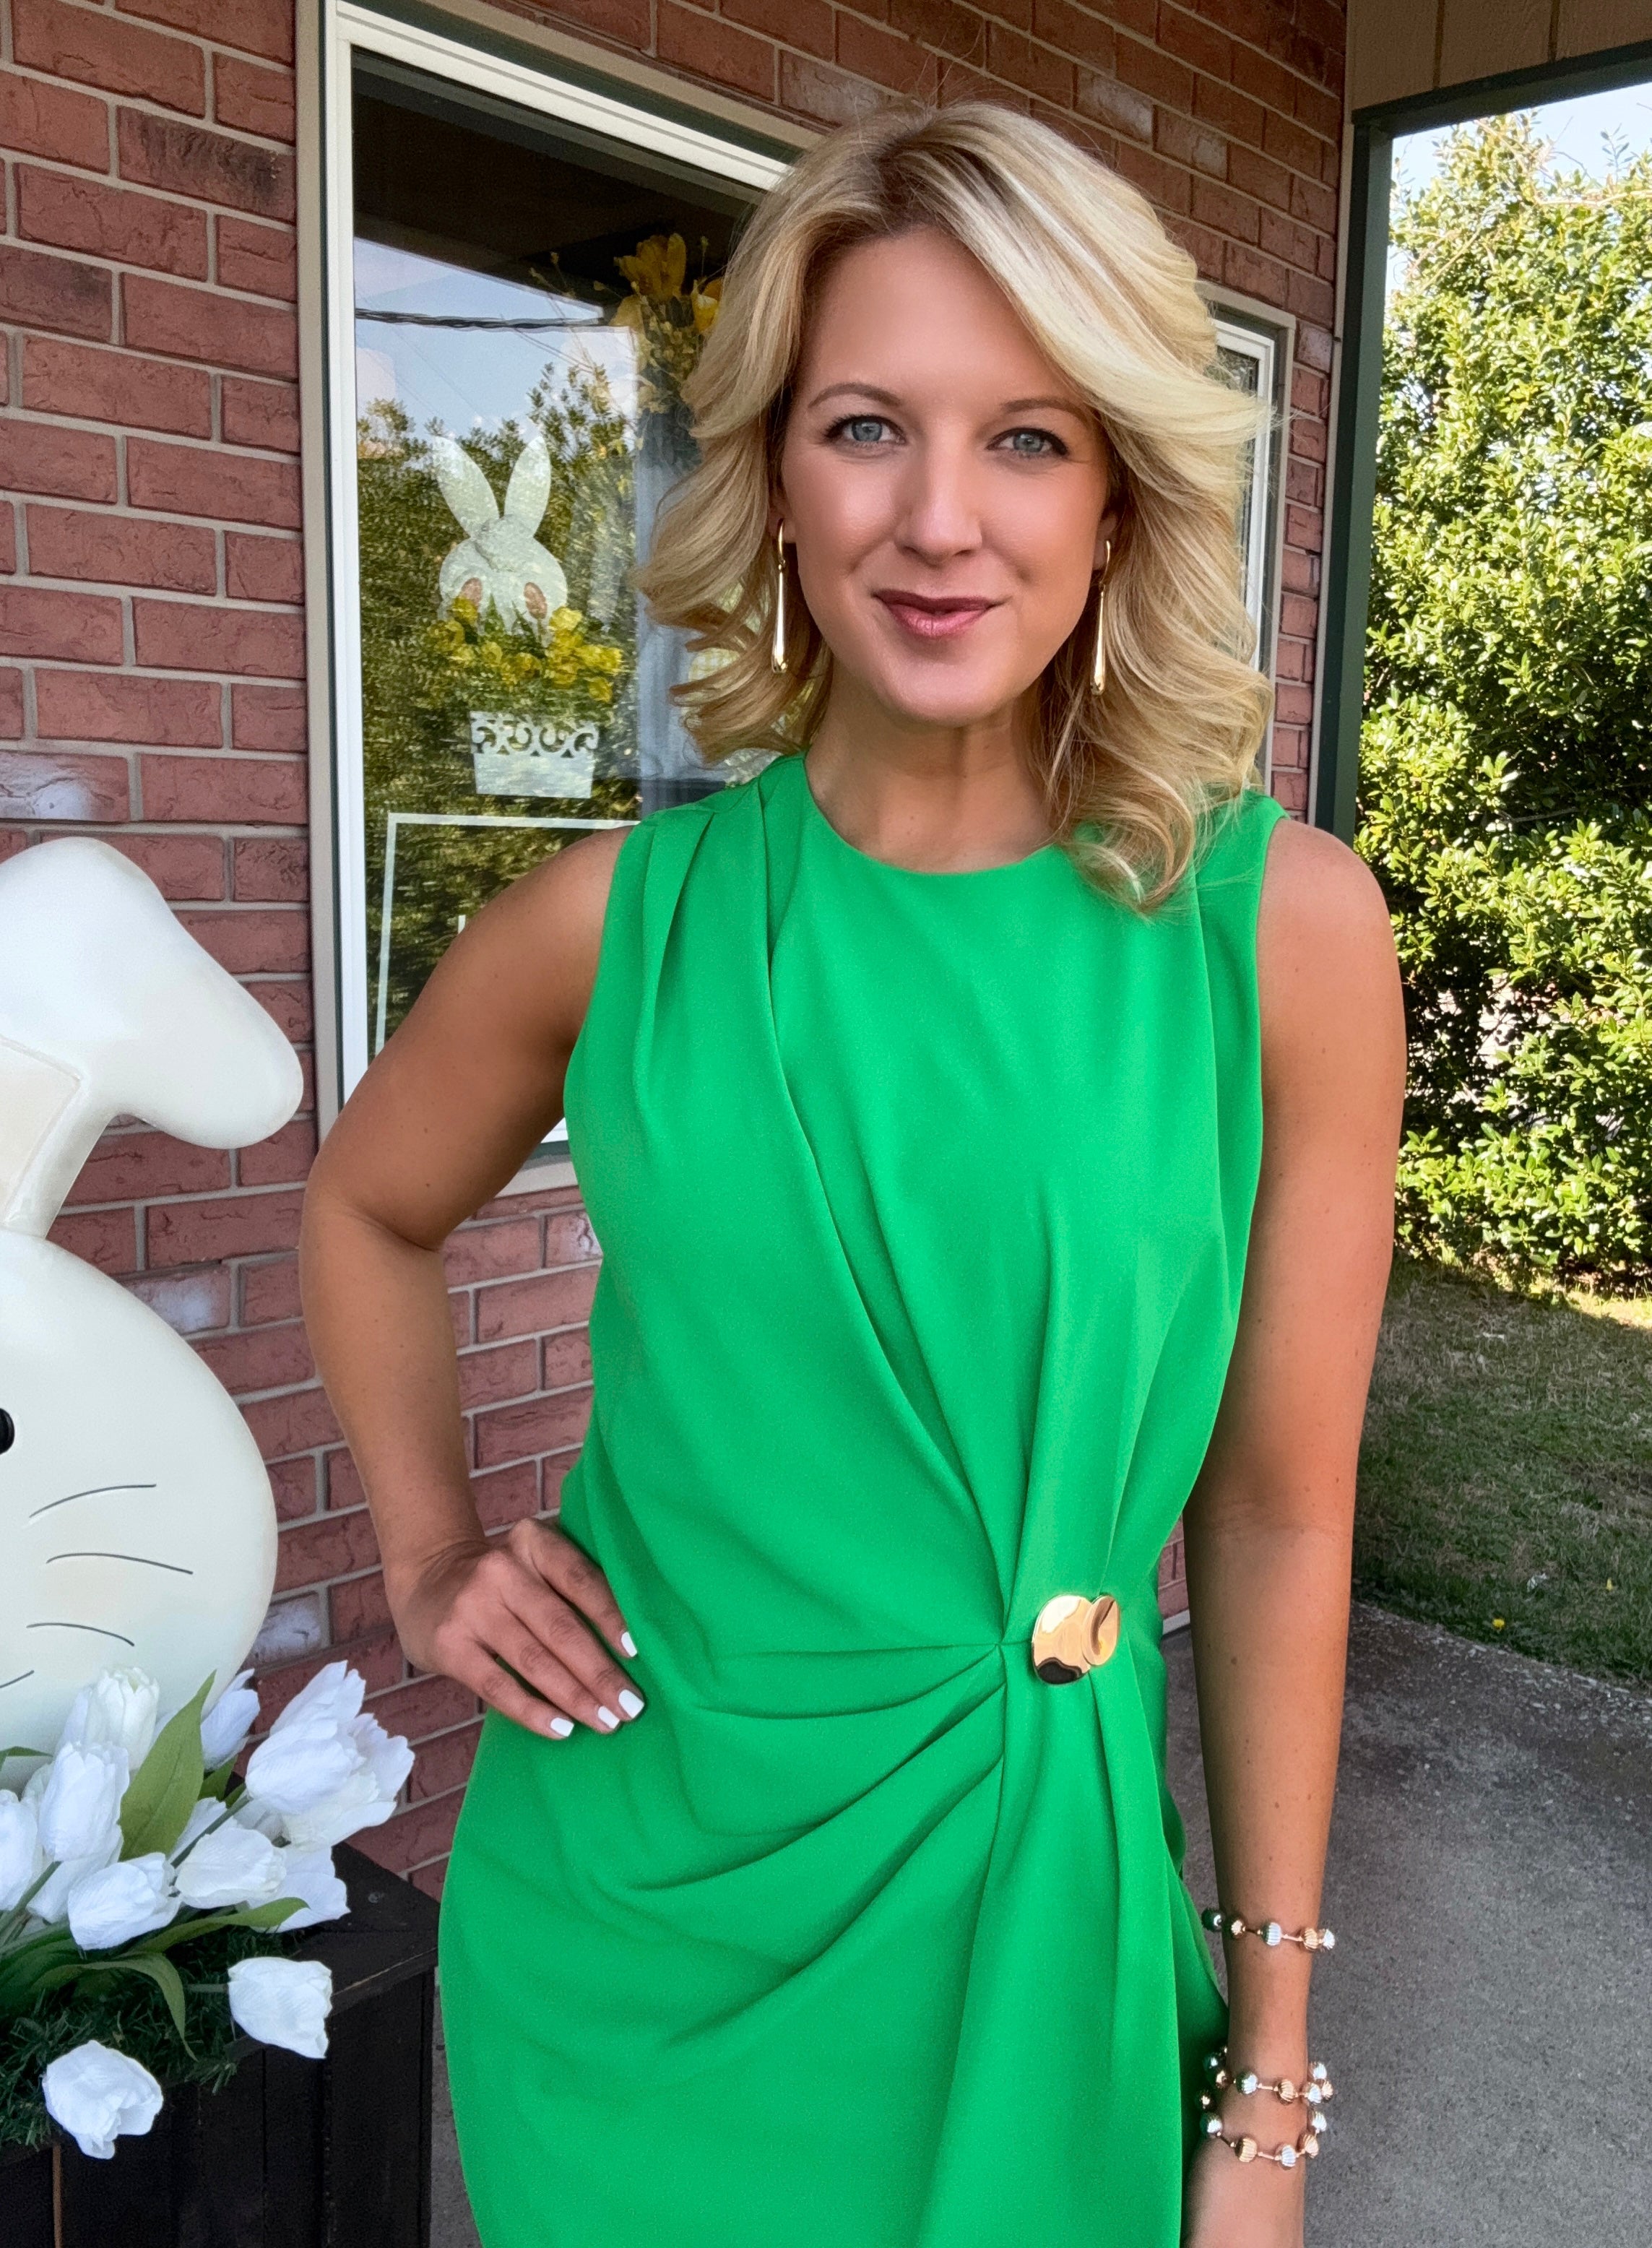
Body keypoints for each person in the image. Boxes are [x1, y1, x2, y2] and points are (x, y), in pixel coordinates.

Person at [300, 103, 1404, 2248]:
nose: (940, 519)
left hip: (1036, 1929)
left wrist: (1267, 2092)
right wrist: (428, 1555)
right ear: (776, 477)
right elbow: (365, 1207)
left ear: (1118, 492)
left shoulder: (1278, 935)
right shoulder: (614, 927)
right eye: (868, 426)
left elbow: (1278, 1515)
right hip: (632, 1931)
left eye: (1027, 440)